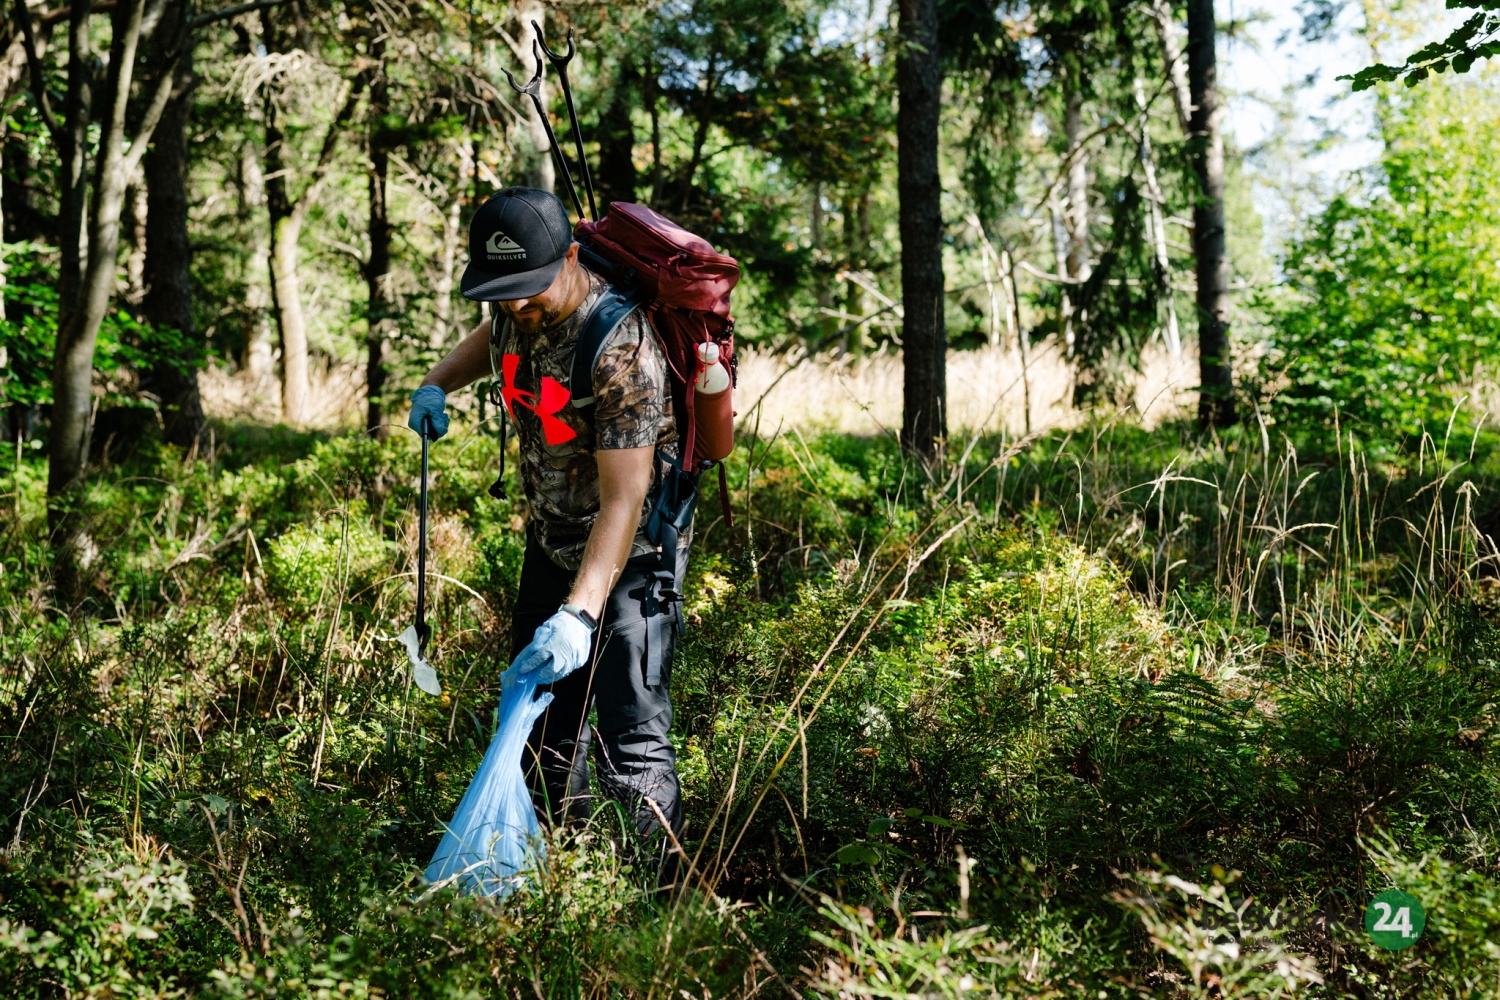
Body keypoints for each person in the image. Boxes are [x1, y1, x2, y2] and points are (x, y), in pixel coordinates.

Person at [408, 187, 686, 876]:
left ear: (568, 257)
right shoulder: (515, 304)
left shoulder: (620, 349)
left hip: (631, 556)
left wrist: (580, 615)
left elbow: (624, 502)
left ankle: (655, 905)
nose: (516, 307)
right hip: (551, 539)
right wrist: (436, 383)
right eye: (503, 293)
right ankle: (562, 880)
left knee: (633, 734)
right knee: (541, 722)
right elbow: (491, 338)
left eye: (529, 291)